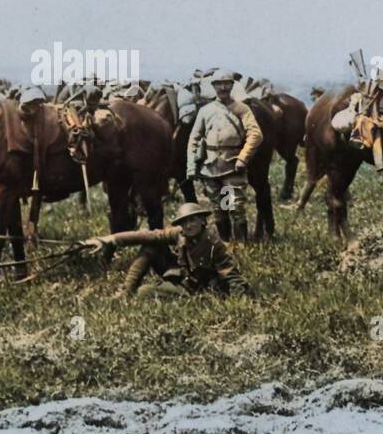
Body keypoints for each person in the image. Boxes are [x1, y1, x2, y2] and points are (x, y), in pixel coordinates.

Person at [83, 202, 249, 298]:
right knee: (151, 246)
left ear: (202, 221)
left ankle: (139, 292)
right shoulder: (180, 234)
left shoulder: (213, 244)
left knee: (144, 292)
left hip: (198, 289)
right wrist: (110, 239)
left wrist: (239, 302)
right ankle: (125, 292)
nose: (188, 225)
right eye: (184, 222)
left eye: (193, 220)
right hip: (182, 277)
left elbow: (231, 275)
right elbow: (147, 235)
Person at [187, 70, 263, 241]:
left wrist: (243, 157)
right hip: (210, 167)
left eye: (227, 84)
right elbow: (194, 138)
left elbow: (256, 134)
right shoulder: (205, 111)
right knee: (218, 208)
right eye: (219, 84)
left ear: (232, 86)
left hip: (232, 166)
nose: (223, 87)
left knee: (235, 207)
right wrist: (191, 166)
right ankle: (226, 244)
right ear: (213, 86)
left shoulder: (242, 109)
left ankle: (241, 246)